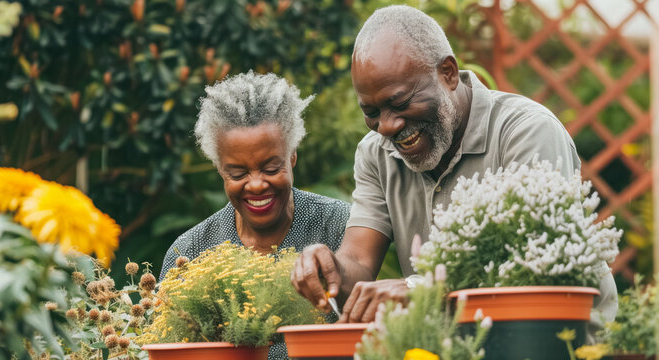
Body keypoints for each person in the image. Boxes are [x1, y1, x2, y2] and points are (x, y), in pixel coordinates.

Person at [290, 5, 617, 337]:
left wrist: (423, 288)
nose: (387, 126)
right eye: (371, 111)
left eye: (401, 103)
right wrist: (329, 269)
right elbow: (358, 260)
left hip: (555, 343)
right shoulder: (376, 153)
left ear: (447, 73)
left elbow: (532, 266)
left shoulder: (525, 132)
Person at [159, 71, 351, 359]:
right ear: (220, 168)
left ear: (292, 155)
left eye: (272, 168)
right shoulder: (190, 252)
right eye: (237, 173)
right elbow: (165, 343)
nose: (257, 184)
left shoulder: (338, 226)